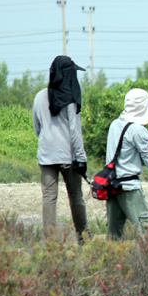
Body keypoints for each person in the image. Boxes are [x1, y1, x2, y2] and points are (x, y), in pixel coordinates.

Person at [32, 55, 90, 243]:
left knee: (49, 198)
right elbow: (74, 131)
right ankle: (83, 238)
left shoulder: (40, 96)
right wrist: (81, 157)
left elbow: (36, 127)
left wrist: (48, 142)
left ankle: (49, 242)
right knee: (76, 197)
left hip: (46, 156)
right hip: (69, 157)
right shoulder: (71, 99)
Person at [105, 88, 148, 240]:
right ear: (143, 107)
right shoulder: (138, 130)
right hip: (129, 189)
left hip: (112, 186)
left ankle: (109, 262)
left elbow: (126, 154)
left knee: (114, 236)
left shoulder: (115, 124)